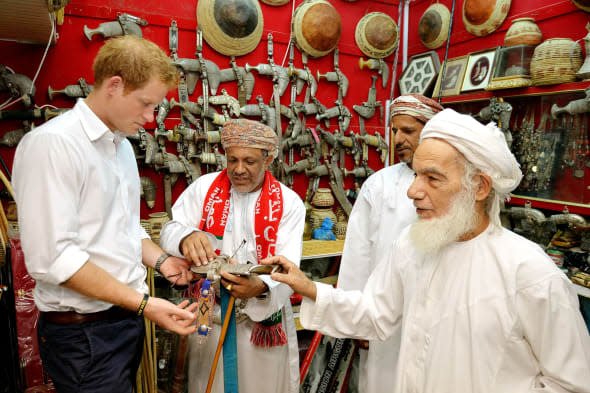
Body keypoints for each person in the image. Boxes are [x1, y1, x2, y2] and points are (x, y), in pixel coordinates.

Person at [264, 109, 590, 393]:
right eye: (417, 174)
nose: (412, 190)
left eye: (432, 178)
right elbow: (376, 313)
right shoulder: (412, 245)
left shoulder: (530, 273)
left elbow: (572, 384)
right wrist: (307, 286)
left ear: (479, 186)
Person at [12, 36, 198, 393]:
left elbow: (126, 229)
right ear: (114, 85)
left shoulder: (122, 148)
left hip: (122, 323)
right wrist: (144, 304)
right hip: (84, 335)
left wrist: (161, 262)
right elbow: (55, 259)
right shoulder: (54, 145)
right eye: (146, 104)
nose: (151, 118)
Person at [159, 119, 305, 393]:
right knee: (207, 382)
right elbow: (169, 229)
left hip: (261, 321)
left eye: (249, 161)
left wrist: (260, 287)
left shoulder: (288, 202)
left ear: (268, 158)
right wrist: (185, 237)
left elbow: (289, 266)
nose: (238, 169)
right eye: (232, 159)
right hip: (208, 311)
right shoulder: (204, 188)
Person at [337, 94, 442, 393]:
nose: (397, 139)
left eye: (407, 131)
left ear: (432, 130)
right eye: (394, 131)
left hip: (437, 318)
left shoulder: (453, 184)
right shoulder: (379, 184)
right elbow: (358, 255)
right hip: (384, 316)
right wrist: (355, 318)